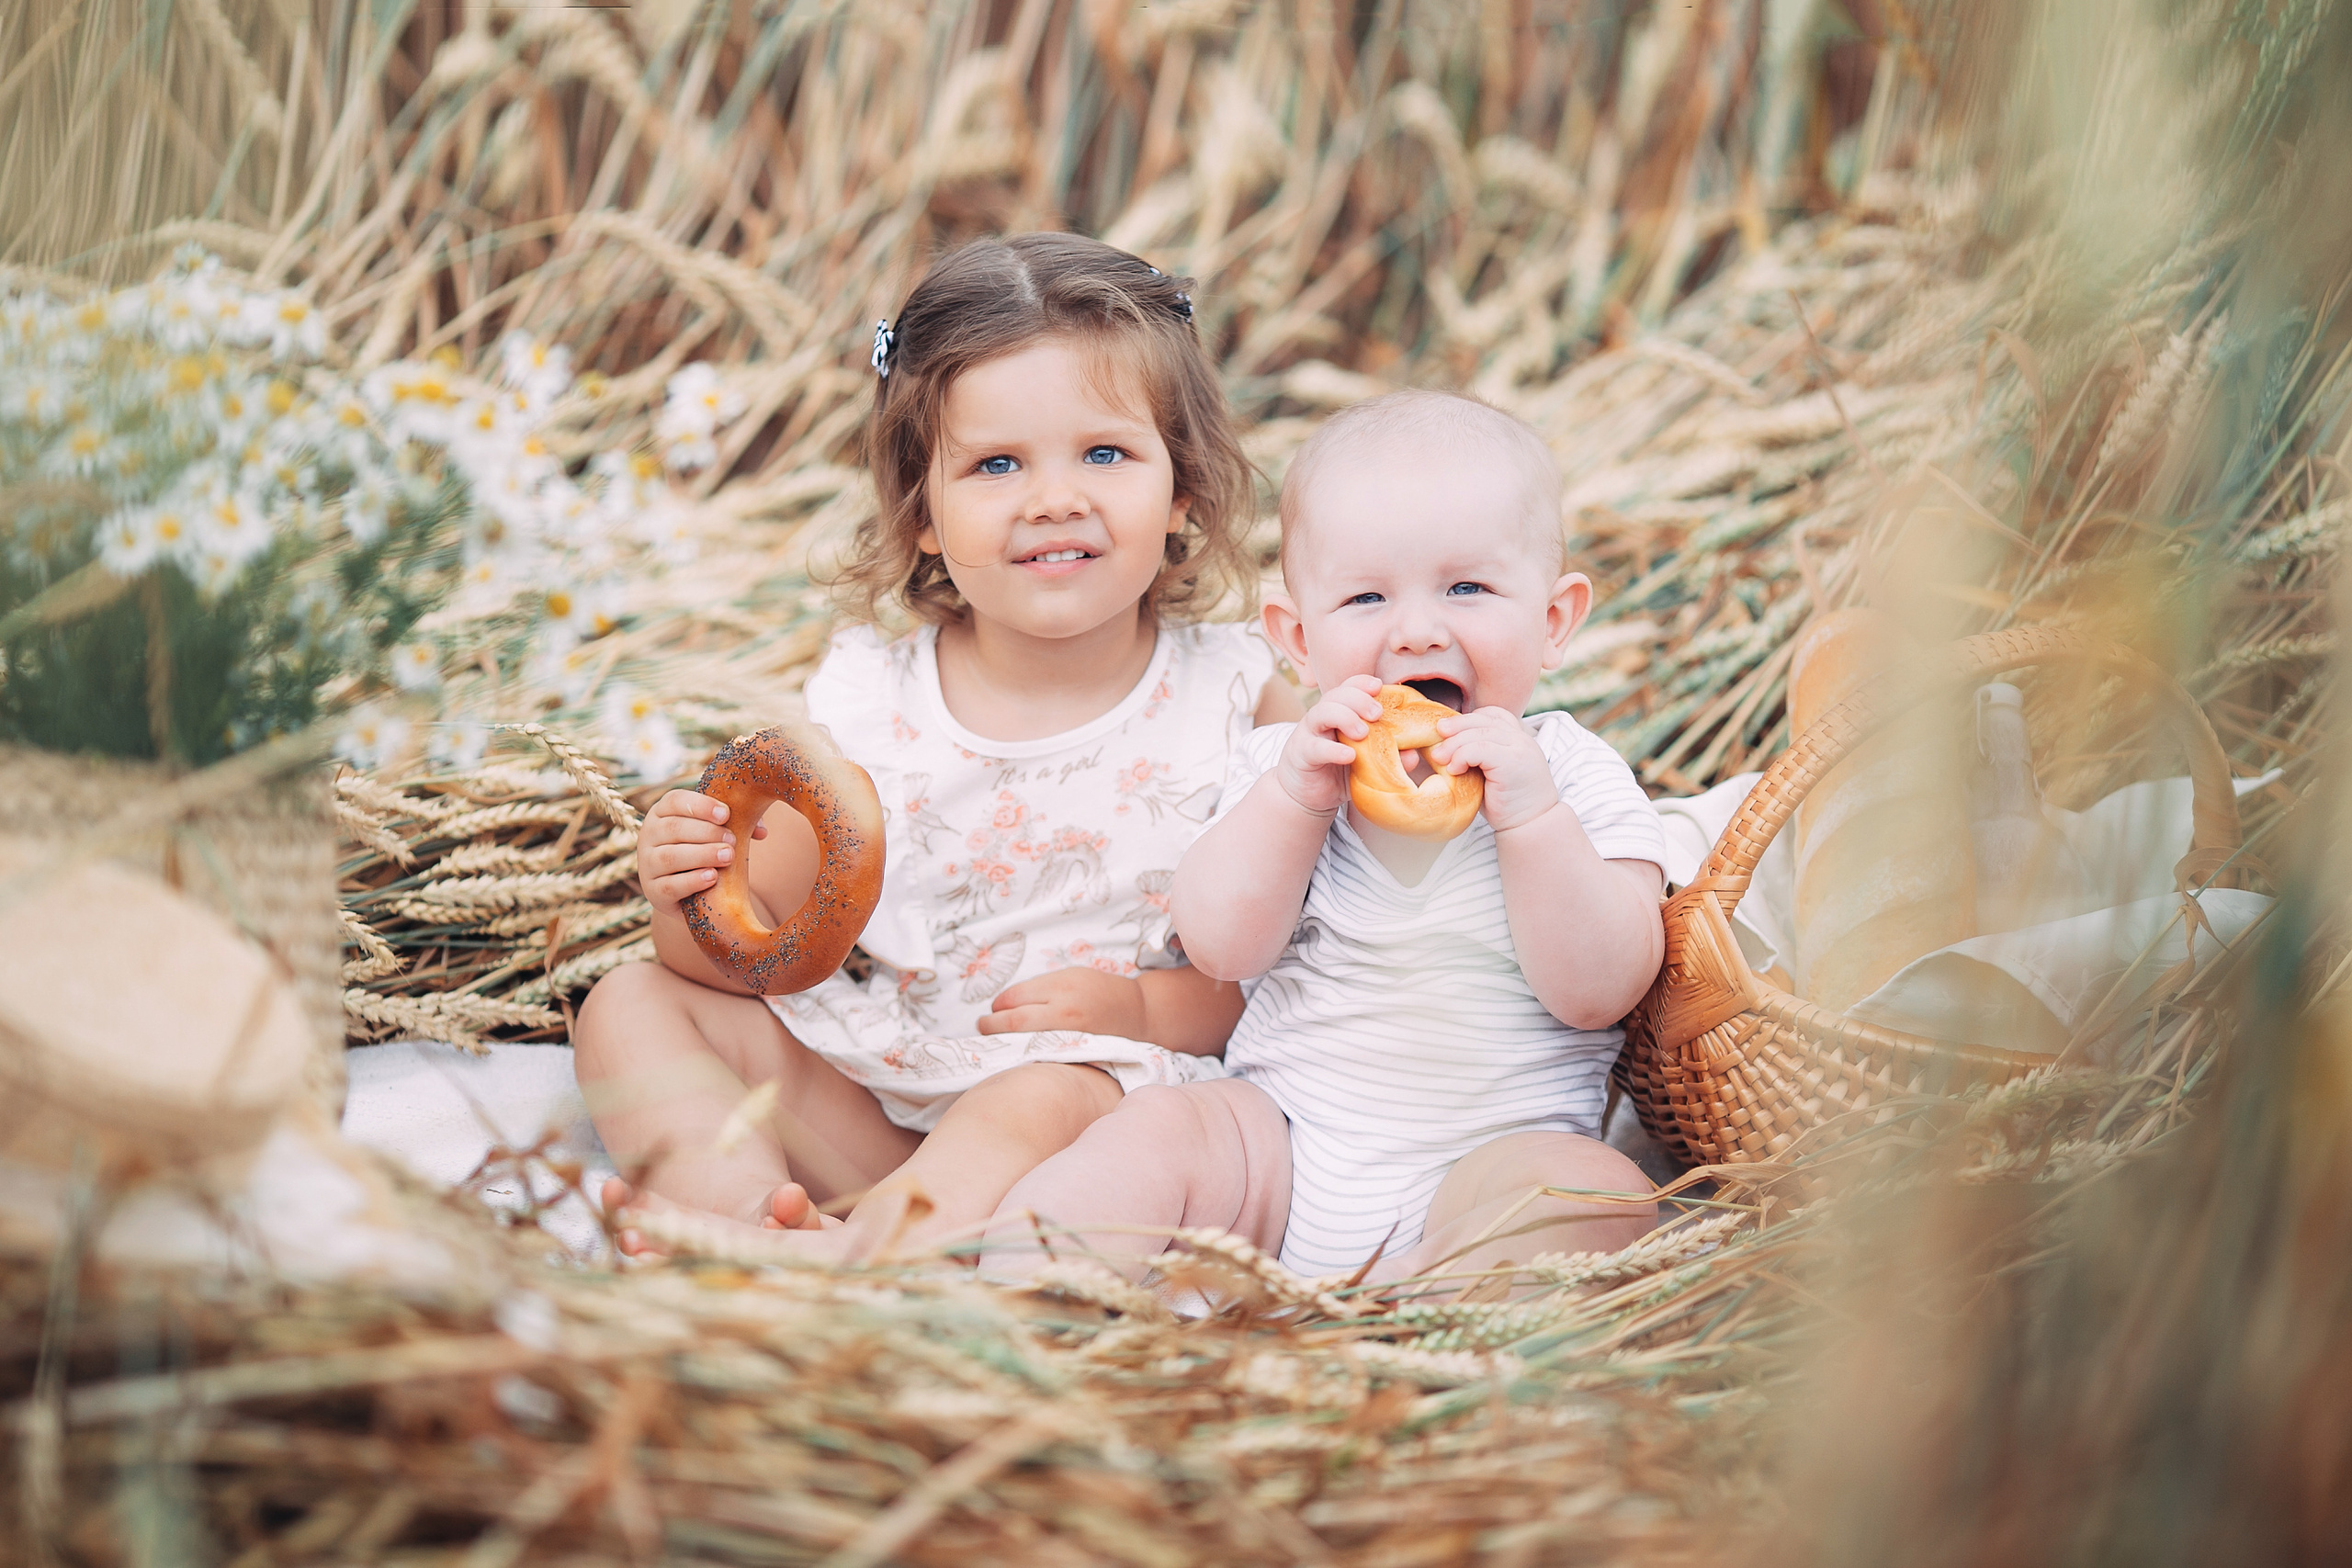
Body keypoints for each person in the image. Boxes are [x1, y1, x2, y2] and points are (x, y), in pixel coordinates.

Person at [574, 234, 1297, 1258]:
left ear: (1180, 485)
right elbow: (754, 956)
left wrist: (1142, 1008)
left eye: (1104, 453)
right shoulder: (873, 704)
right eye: (996, 464)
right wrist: (683, 890)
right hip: (888, 1093)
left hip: (1098, 1119)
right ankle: (740, 1219)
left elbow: (1277, 978)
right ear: (921, 510)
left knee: (1032, 1097)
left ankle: (859, 1258)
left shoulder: (1239, 699)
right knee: (631, 1001)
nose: (1053, 498)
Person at [985, 389, 1668, 1287]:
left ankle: (1421, 1316)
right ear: (1298, 642)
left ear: (1552, 621)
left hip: (1495, 1157)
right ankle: (1045, 1295)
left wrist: (1533, 822)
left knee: (1595, 1196)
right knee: (1161, 1131)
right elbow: (1223, 945)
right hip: (1282, 1145)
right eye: (1365, 596)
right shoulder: (1283, 767)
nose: (1417, 628)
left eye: (1467, 588)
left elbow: (1601, 990)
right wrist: (1295, 801)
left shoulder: (1570, 776)